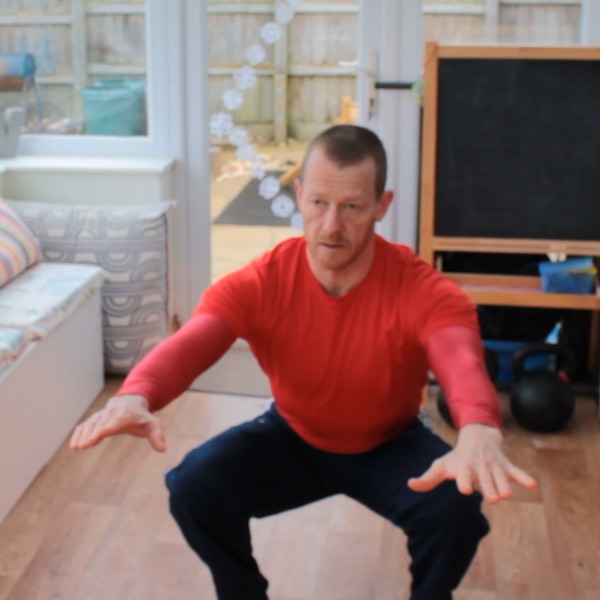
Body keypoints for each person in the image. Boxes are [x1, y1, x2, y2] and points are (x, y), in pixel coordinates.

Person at [70, 124, 537, 600]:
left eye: (352, 207)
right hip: (294, 435)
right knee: (195, 486)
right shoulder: (263, 280)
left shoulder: (423, 291)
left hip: (391, 443)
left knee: (456, 508)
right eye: (318, 203)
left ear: (382, 205)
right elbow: (192, 343)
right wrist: (135, 394)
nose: (331, 225)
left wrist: (479, 428)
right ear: (299, 196)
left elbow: (460, 360)